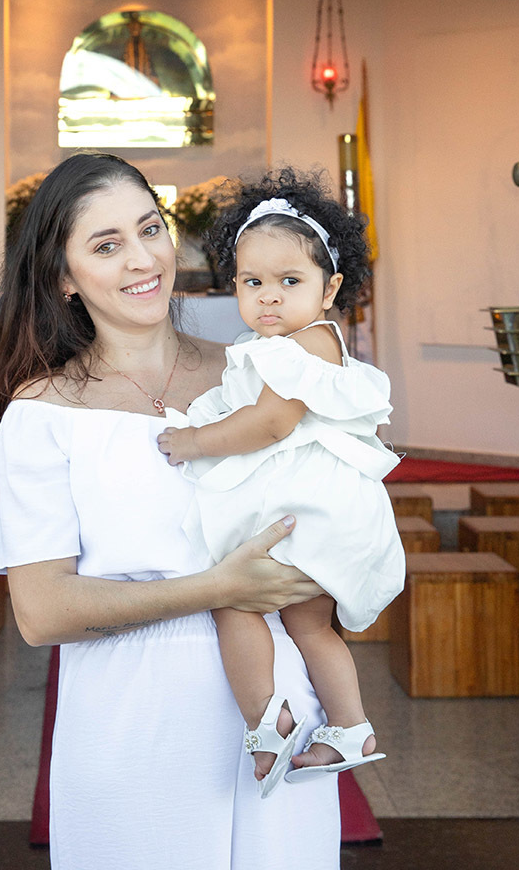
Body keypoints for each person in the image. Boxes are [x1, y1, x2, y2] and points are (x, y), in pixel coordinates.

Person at [0, 152, 341, 870]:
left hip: (279, 702)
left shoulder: (257, 373)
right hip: (133, 717)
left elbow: (326, 503)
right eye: (106, 245)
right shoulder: (43, 413)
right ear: (62, 276)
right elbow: (41, 612)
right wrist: (220, 589)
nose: (143, 259)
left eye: (150, 229)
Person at [157, 166, 405, 799]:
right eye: (253, 282)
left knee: (235, 599)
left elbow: (269, 423)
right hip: (310, 508)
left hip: (314, 511)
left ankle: (269, 718)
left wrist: (192, 442)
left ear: (331, 289)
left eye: (290, 282)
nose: (269, 297)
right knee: (304, 625)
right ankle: (347, 728)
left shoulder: (313, 342)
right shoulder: (278, 342)